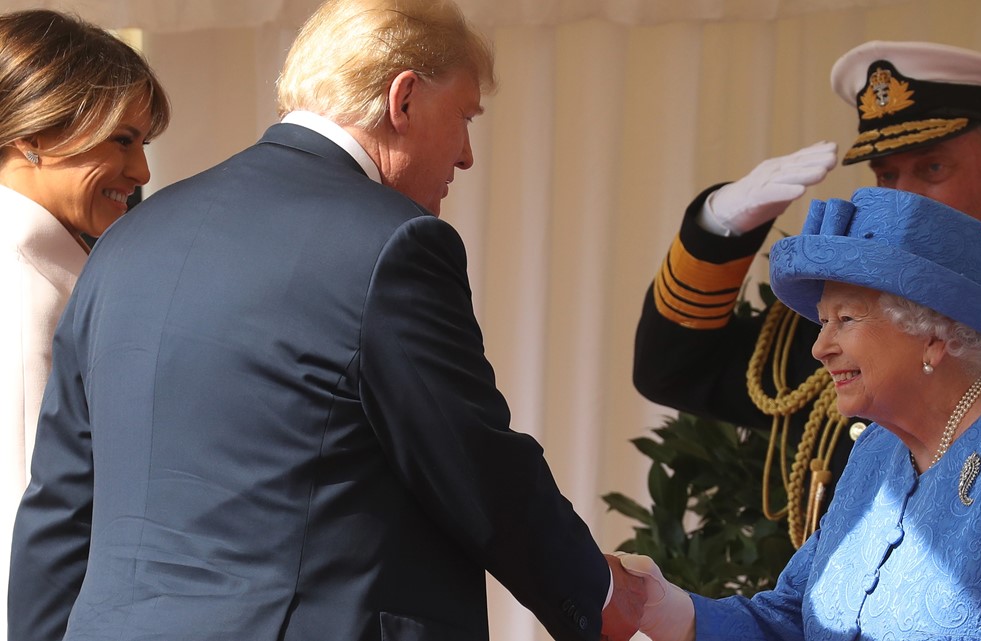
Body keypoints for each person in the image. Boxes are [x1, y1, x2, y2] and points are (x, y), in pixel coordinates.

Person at [8, 1, 643, 640]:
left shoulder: (127, 241)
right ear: (404, 99)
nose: (468, 155)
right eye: (464, 118)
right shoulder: (396, 244)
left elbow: (62, 503)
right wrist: (607, 601)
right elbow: (475, 464)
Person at [632, 41, 981, 632]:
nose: (903, 199)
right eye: (886, 174)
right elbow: (676, 367)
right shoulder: (878, 441)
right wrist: (718, 227)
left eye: (932, 168)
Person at [0, 8, 170, 636]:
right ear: (32, 136)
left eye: (143, 144)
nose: (143, 172)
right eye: (121, 140)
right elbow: (28, 516)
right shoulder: (27, 290)